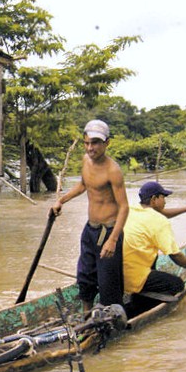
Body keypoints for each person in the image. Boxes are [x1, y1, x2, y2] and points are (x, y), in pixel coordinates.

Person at [52, 119, 130, 309]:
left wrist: (113, 239)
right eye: (87, 143)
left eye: (95, 143)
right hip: (90, 230)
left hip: (108, 231)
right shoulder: (86, 161)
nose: (90, 148)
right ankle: (86, 316)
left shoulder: (113, 170)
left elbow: (124, 207)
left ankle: (111, 321)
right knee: (85, 277)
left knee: (108, 286)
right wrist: (61, 200)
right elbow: (83, 185)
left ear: (106, 143)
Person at [121, 181, 186, 299]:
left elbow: (161, 213)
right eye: (163, 197)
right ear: (154, 199)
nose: (165, 201)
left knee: (153, 259)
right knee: (177, 285)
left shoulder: (130, 210)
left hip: (117, 275)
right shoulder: (159, 221)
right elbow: (175, 255)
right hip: (134, 278)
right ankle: (140, 303)